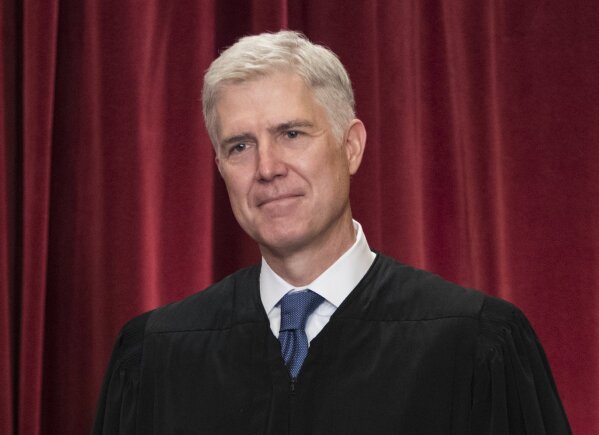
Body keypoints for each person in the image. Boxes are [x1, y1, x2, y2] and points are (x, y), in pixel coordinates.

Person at [92, 31, 571, 434]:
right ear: (220, 168)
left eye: (292, 134)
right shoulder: (155, 357)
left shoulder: (474, 344)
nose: (267, 168)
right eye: (240, 146)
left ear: (352, 147)